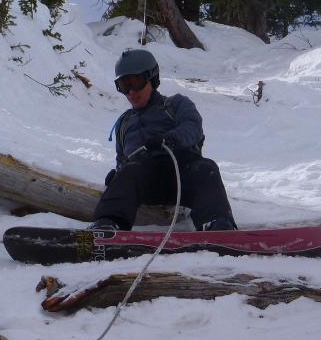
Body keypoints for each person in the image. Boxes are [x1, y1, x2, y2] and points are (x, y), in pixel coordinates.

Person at [90, 48, 237, 232]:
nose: (131, 93)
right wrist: (119, 175)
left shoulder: (175, 104)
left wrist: (170, 139)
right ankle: (109, 225)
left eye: (136, 83)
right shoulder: (124, 123)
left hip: (181, 173)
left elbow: (193, 127)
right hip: (145, 180)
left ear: (152, 79)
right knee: (130, 170)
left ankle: (217, 224)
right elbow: (122, 159)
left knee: (206, 168)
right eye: (123, 86)